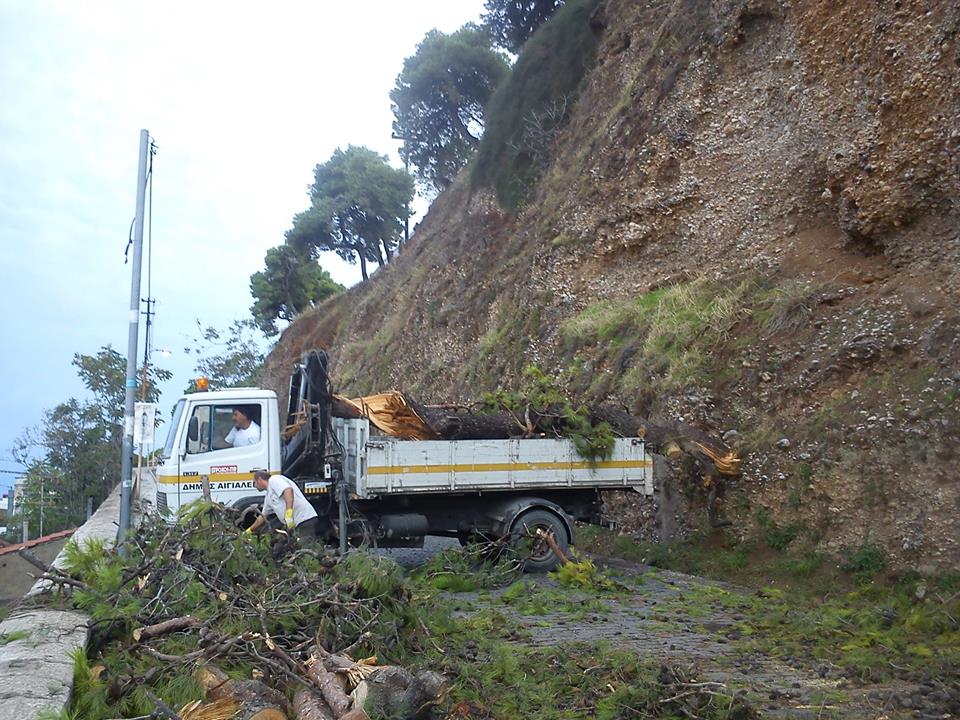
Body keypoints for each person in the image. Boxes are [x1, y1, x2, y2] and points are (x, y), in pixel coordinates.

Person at [245, 469, 319, 539]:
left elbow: (288, 490)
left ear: (260, 479)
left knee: (305, 544)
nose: (254, 486)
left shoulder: (274, 480)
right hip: (292, 525)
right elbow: (262, 517)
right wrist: (249, 531)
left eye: (254, 483)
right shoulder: (268, 496)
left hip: (305, 519)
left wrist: (289, 513)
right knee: (280, 548)